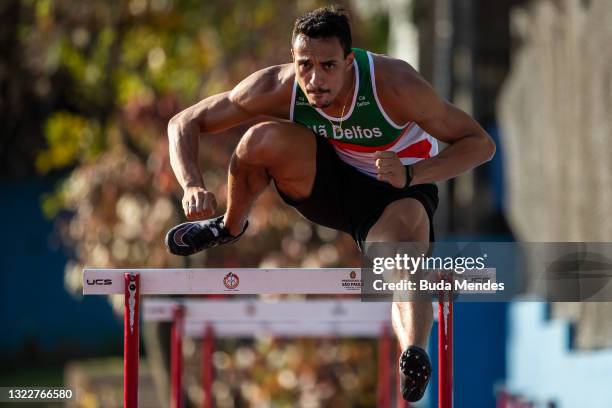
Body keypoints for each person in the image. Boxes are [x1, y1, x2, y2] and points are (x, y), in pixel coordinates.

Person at [164, 6, 495, 402]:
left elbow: (479, 144)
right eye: (305, 65)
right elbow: (183, 122)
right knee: (258, 140)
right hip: (327, 180)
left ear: (349, 63)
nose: (315, 80)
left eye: (328, 66)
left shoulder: (395, 85)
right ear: (293, 60)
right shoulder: (276, 86)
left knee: (400, 260)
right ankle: (228, 227)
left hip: (397, 188)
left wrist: (413, 174)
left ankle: (414, 353)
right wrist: (191, 185)